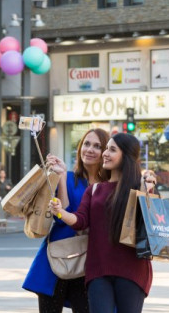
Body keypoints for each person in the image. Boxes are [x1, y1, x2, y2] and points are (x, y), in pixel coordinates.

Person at [50, 133, 156, 313]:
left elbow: (151, 224)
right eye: (106, 148)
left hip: (133, 271)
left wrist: (148, 190)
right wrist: (61, 213)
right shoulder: (95, 189)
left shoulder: (140, 186)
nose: (105, 153)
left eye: (112, 150)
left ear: (127, 156)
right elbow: (80, 220)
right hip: (98, 271)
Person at [24, 128, 110, 313]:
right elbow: (61, 215)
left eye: (97, 146)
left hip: (89, 263)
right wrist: (61, 177)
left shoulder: (109, 185)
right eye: (86, 144)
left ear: (106, 151)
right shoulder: (69, 177)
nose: (90, 149)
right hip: (57, 258)